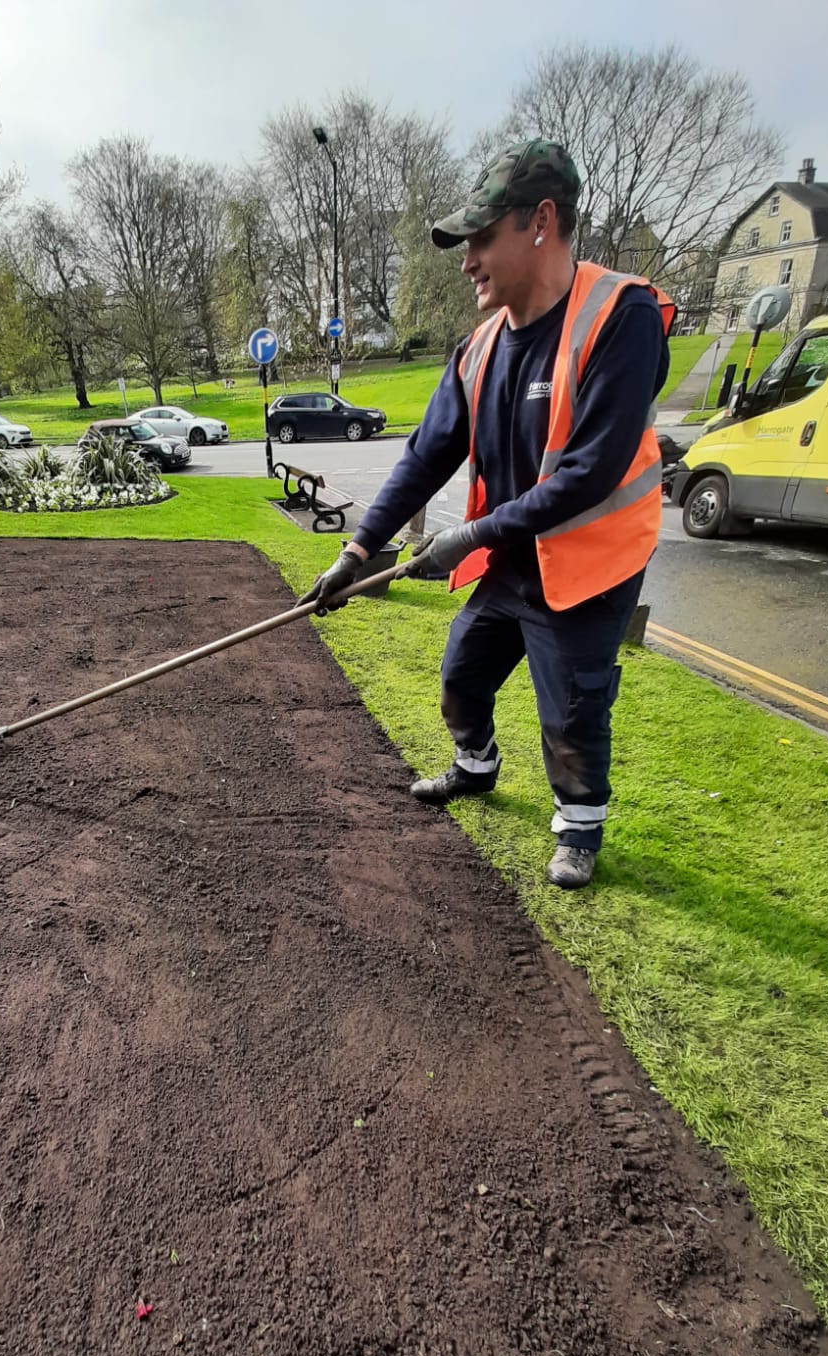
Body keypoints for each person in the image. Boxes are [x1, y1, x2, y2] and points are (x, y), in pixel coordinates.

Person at [301, 140, 673, 890]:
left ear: (540, 221)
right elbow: (424, 458)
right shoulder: (478, 351)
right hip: (512, 561)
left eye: (479, 237)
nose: (467, 260)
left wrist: (466, 535)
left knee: (571, 710)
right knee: (461, 677)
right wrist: (358, 551)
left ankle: (580, 825)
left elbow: (588, 474)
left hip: (589, 568)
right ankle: (476, 765)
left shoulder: (618, 317)